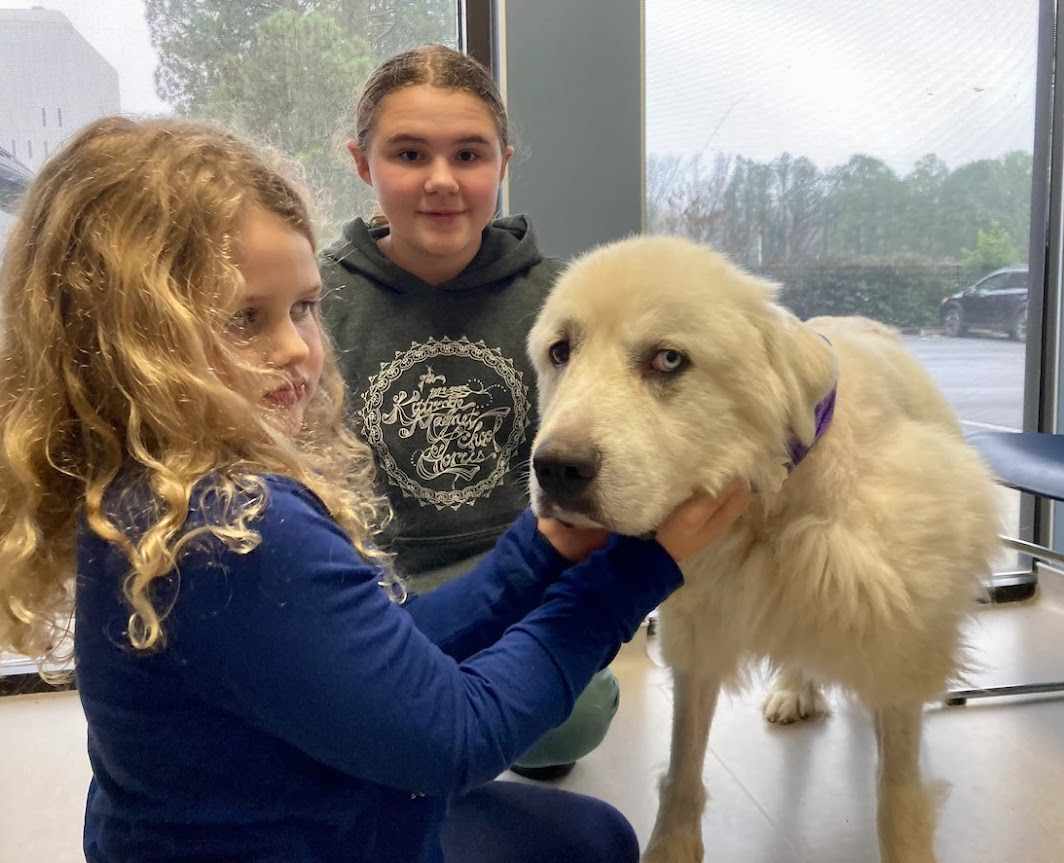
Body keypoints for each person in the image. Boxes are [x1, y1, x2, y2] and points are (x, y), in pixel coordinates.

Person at [0, 116, 750, 863]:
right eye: (244, 320)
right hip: (319, 836)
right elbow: (456, 736)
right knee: (596, 839)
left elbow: (390, 657)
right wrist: (638, 571)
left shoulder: (153, 493)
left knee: (584, 833)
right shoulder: (233, 527)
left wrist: (542, 548)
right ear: (135, 340)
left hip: (271, 816)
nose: (296, 349)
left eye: (302, 307)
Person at [320, 43, 616, 780]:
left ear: (504, 161)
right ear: (363, 164)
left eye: (470, 154)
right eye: (410, 153)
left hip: (525, 578)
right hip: (375, 598)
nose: (442, 181)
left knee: (570, 720)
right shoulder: (311, 305)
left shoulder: (568, 298)